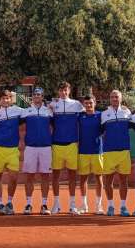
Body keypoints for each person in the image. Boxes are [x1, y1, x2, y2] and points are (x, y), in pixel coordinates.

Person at [50, 81, 84, 215]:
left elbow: (89, 112)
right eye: (61, 90)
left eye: (66, 90)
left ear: (69, 91)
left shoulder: (76, 105)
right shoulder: (52, 105)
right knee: (55, 176)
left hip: (72, 145)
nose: (63, 93)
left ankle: (72, 205)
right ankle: (56, 204)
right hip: (56, 144)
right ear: (58, 91)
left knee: (72, 176)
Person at [20, 87, 52, 215]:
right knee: (29, 176)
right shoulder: (26, 111)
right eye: (35, 94)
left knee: (45, 176)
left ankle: (44, 204)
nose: (37, 96)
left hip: (46, 147)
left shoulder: (49, 111)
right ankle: (28, 204)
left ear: (42, 96)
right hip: (31, 148)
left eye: (39, 94)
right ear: (32, 97)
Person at [0, 90, 23, 215]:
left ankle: (9, 202)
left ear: (11, 100)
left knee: (14, 177)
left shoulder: (18, 110)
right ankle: (0, 204)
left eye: (8, 98)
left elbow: (33, 111)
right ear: (0, 100)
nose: (5, 100)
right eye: (3, 98)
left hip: (13, 150)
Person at [101, 90, 132, 217]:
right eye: (112, 97)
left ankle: (123, 206)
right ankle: (110, 206)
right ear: (110, 99)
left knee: (123, 180)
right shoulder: (104, 114)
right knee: (108, 181)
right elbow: (101, 131)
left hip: (124, 151)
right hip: (109, 152)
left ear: (121, 98)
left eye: (116, 97)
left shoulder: (127, 112)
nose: (114, 99)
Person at [77, 95, 104, 215]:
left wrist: (125, 108)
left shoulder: (101, 115)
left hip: (97, 151)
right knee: (83, 179)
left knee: (99, 178)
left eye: (90, 103)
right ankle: (84, 206)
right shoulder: (80, 116)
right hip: (83, 152)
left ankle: (99, 206)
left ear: (95, 103)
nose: (88, 105)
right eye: (86, 103)